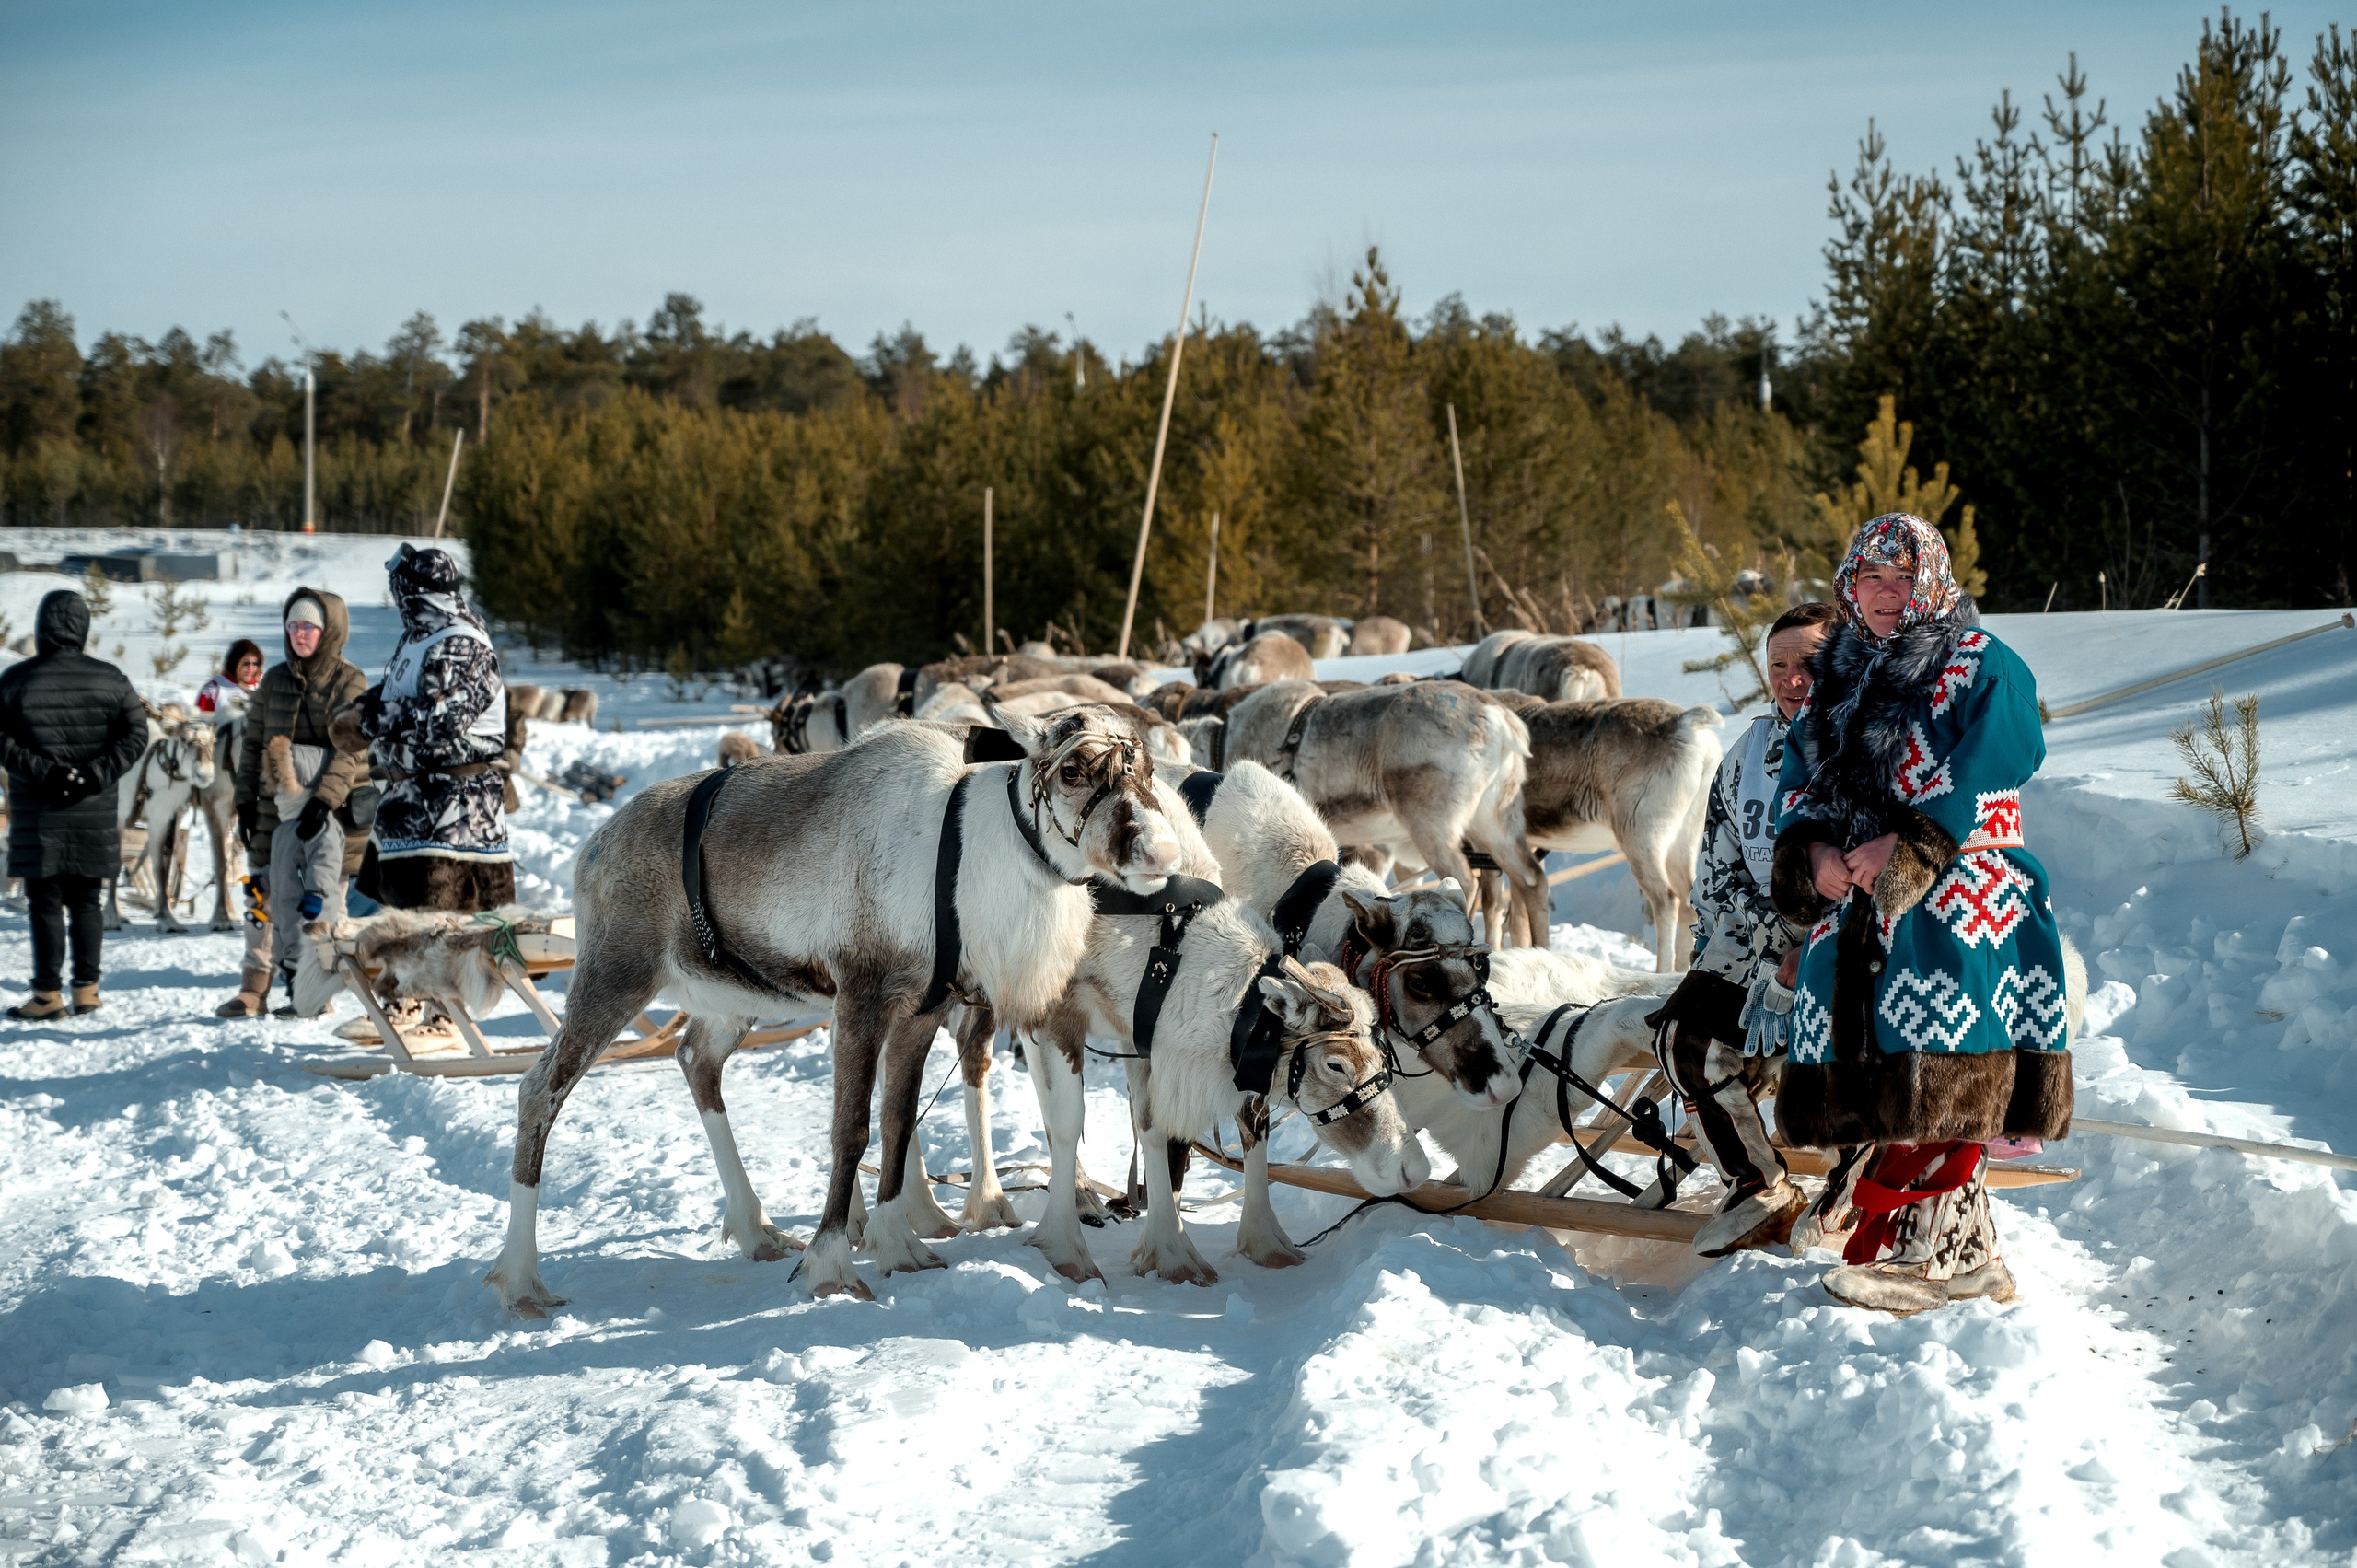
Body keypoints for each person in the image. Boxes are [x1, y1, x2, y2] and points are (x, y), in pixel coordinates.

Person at [1771, 513, 2072, 1315]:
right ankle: (1964, 1250)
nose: (1888, 596)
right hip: (1863, 896)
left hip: (1963, 886)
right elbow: (1798, 779)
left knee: (1948, 1067)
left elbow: (1994, 766)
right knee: (1879, 1066)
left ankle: (1932, 1254)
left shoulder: (1979, 661)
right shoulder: (1838, 671)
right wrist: (1815, 854)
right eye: (1872, 580)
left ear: (1933, 583)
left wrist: (1908, 844)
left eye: (1905, 580)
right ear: (1849, 588)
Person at [1666, 598, 1843, 1257]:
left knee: (1844, 1043)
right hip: (1761, 946)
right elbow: (1717, 867)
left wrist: (1812, 949)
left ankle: (1855, 1182)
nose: (1793, 678)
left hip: (1847, 948)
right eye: (1779, 664)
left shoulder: (1868, 745)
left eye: (1811, 664)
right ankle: (1756, 1182)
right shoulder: (1747, 754)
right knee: (1686, 1039)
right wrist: (1748, 954)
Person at [220, 590, 371, 1019]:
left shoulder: (349, 681)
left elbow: (351, 750)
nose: (299, 634)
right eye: (292, 626)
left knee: (325, 900)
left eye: (307, 626)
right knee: (262, 897)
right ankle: (255, 988)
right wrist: (245, 799)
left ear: (327, 632)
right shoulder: (274, 681)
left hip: (334, 813)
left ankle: (316, 989)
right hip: (275, 810)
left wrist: (323, 801)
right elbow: (253, 743)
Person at [0, 591, 149, 1018]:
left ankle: (47, 996)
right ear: (83, 628)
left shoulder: (15, 680)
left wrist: (43, 771)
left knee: (43, 900)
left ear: (42, 626)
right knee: (87, 900)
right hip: (93, 807)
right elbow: (136, 736)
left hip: (38, 809)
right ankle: (87, 990)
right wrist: (94, 774)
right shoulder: (112, 678)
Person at [353, 545, 514, 912]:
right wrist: (368, 702)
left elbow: (445, 719)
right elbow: (410, 691)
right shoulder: (419, 634)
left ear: (413, 592)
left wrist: (374, 718)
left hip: (454, 815)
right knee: (393, 937)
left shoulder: (461, 641)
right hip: (411, 807)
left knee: (438, 939)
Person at [196, 640, 264, 724]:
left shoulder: (266, 684)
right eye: (245, 663)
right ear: (235, 663)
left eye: (255, 663)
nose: (250, 668)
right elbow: (199, 723)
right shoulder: (214, 688)